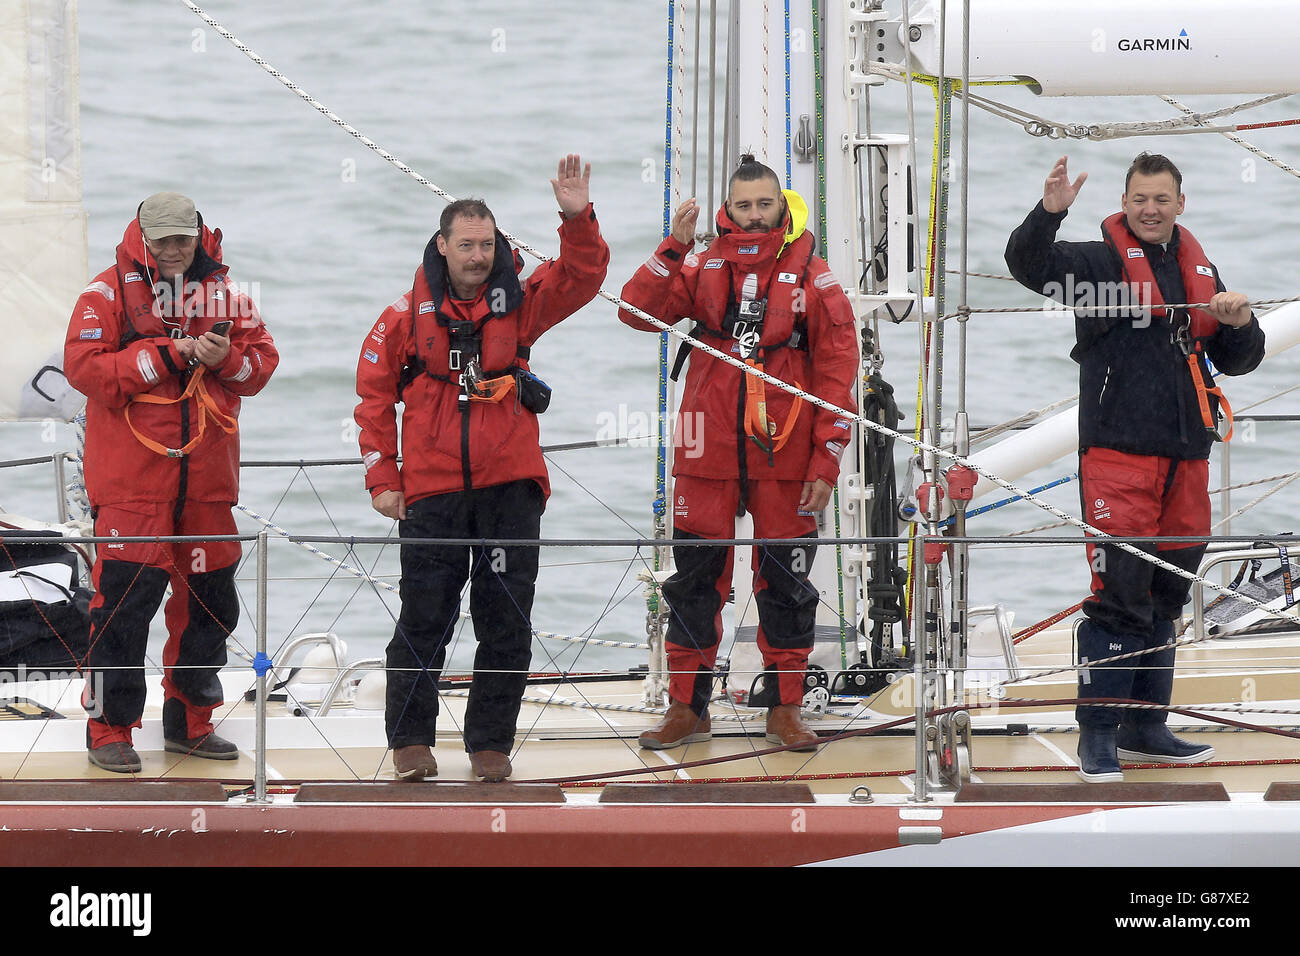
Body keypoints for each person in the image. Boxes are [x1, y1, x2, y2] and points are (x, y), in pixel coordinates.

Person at [1005, 153, 1265, 782]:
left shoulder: (1198, 265)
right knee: (1117, 597)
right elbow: (1028, 267)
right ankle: (1098, 735)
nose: (1150, 210)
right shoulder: (1093, 265)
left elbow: (1239, 362)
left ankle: (1147, 725)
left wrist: (1241, 322)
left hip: (1186, 458)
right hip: (1118, 454)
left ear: (1182, 202)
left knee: (1168, 593)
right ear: (1124, 203)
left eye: (1162, 199)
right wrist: (1050, 212)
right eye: (1139, 200)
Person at [355, 155, 609, 783]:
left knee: (506, 620)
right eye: (465, 244)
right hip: (433, 493)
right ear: (441, 246)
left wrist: (577, 216)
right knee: (424, 617)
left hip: (509, 490)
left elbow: (583, 276)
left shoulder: (521, 303)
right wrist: (383, 479)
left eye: (486, 244)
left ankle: (490, 744)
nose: (476, 255)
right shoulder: (400, 318)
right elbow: (370, 398)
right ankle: (411, 743)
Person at [618, 155, 859, 752]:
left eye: (765, 205)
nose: (754, 216)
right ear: (727, 210)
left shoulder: (816, 278)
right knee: (695, 579)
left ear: (782, 208)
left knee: (787, 582)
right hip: (706, 450)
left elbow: (837, 370)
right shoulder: (698, 263)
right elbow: (634, 310)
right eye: (744, 205)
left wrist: (826, 459)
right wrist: (671, 247)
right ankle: (687, 707)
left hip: (788, 451)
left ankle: (785, 708)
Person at [65, 192, 278, 773]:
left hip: (208, 487)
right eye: (162, 239)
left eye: (183, 237)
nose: (174, 249)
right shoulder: (102, 294)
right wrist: (168, 354)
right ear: (143, 237)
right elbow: (84, 370)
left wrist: (224, 355)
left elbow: (260, 368)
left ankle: (189, 721)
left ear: (198, 235)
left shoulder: (228, 298)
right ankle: (108, 730)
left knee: (210, 609)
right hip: (133, 488)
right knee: (122, 612)